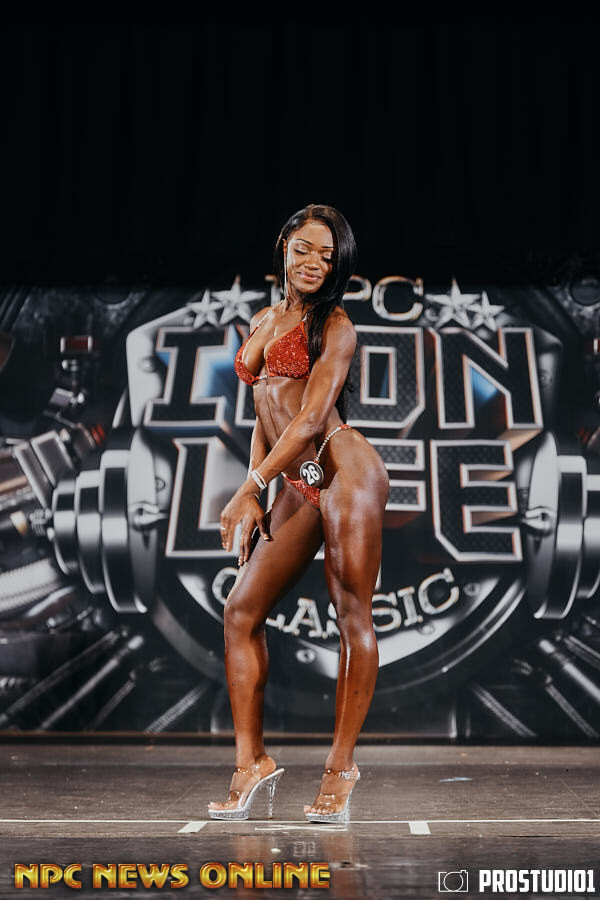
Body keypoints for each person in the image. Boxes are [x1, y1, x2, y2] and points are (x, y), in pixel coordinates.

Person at [208, 203, 389, 824]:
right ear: (284, 246)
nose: (314, 263)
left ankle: (341, 768)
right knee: (240, 612)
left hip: (342, 469)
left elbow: (310, 420)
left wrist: (253, 482)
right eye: (304, 249)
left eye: (328, 256)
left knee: (351, 613)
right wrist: (255, 490)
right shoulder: (264, 319)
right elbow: (265, 412)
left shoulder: (336, 326)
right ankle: (251, 763)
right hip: (295, 478)